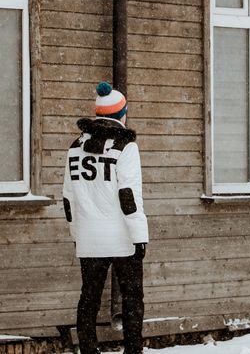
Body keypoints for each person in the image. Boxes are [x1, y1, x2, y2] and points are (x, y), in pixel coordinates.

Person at [63, 82, 148, 354]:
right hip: (122, 236)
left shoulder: (75, 147)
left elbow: (68, 199)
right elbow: (128, 197)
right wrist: (139, 237)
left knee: (89, 298)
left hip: (89, 235)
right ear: (121, 114)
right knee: (132, 298)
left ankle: (88, 350)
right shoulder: (126, 147)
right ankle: (133, 350)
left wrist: (77, 235)